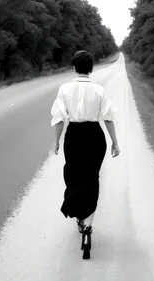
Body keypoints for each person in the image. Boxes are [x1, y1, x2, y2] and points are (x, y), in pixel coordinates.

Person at [50, 50, 120, 259]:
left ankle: (80, 218)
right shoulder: (99, 90)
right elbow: (108, 118)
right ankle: (88, 229)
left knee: (74, 176)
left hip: (73, 136)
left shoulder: (64, 89)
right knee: (91, 179)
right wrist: (115, 142)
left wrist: (56, 141)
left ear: (74, 67)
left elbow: (59, 118)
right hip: (94, 136)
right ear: (91, 69)